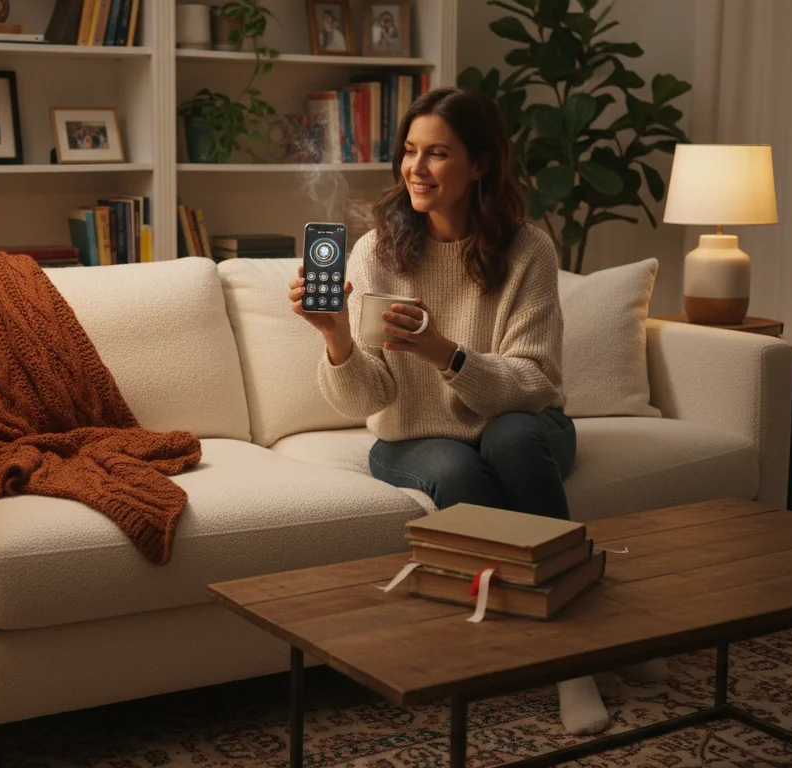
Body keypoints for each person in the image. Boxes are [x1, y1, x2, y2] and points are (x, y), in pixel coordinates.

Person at [288, 86, 619, 736]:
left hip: (522, 420)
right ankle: (587, 633)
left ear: (481, 164)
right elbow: (371, 398)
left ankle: (571, 656)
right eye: (410, 151)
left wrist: (446, 354)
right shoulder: (375, 251)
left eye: (437, 153)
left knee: (513, 441)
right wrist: (335, 338)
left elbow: (534, 380)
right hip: (414, 435)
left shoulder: (528, 251)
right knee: (459, 472)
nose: (416, 167)